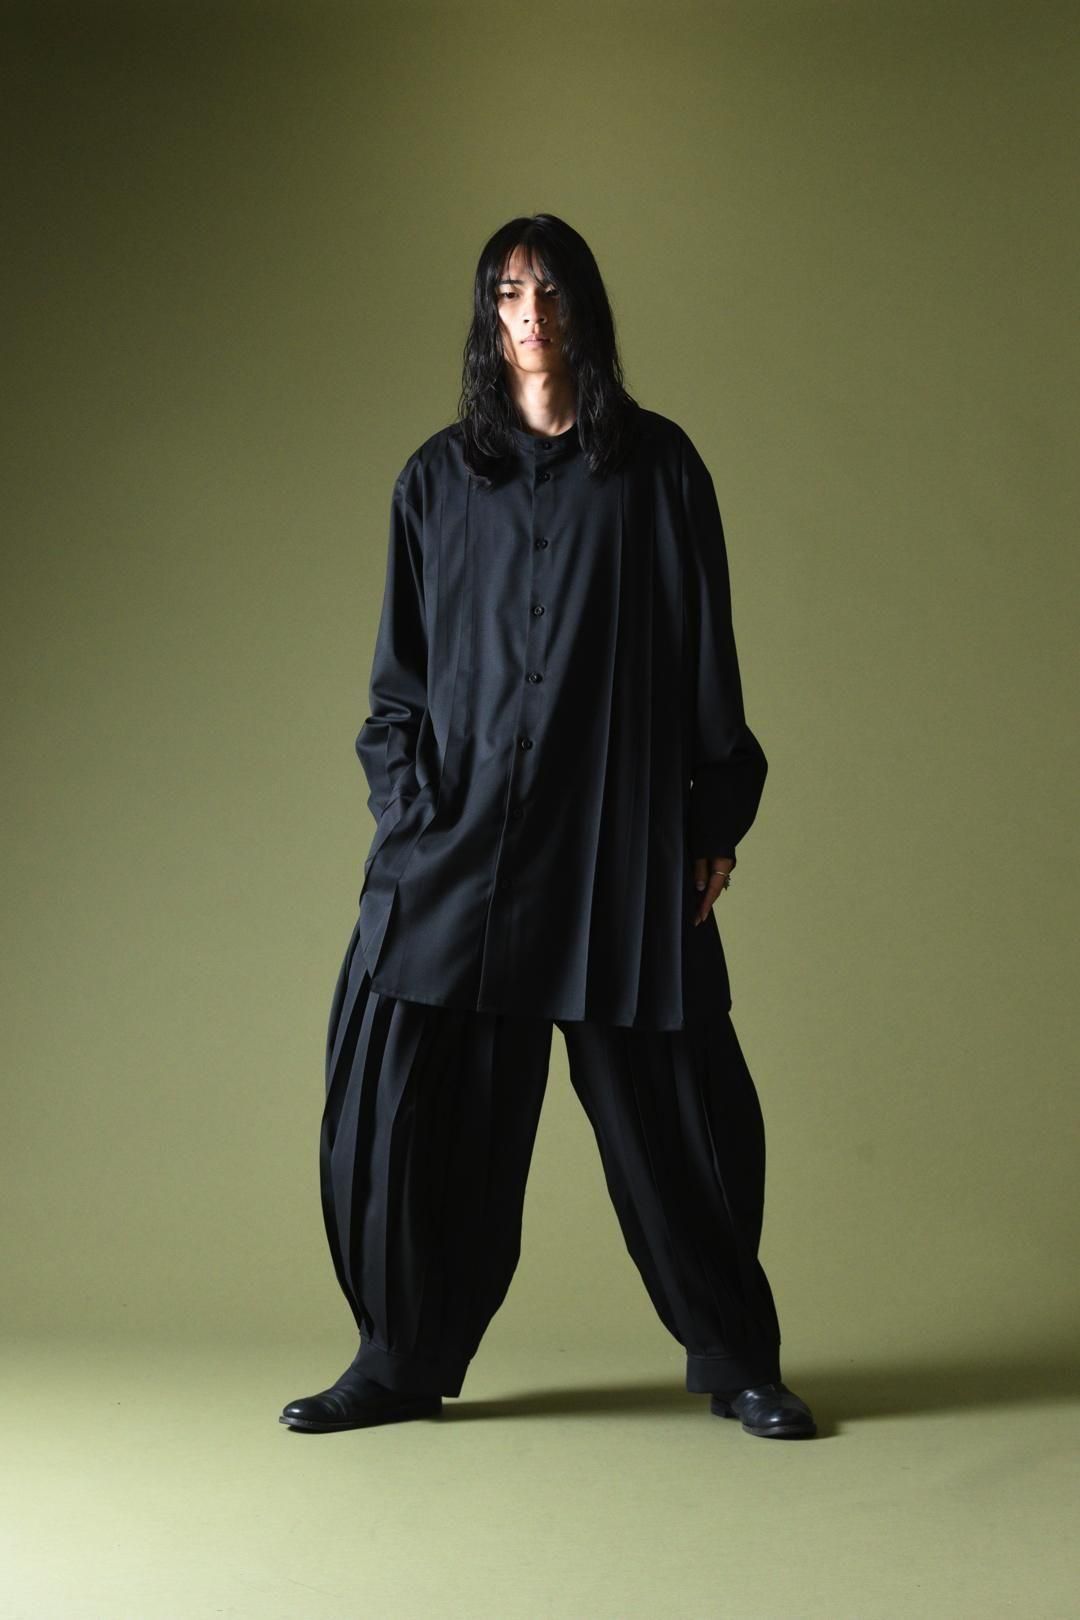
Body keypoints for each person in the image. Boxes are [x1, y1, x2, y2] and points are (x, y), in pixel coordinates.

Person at [280, 214, 817, 1441]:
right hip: (461, 849)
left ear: (584, 307)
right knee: (408, 1113)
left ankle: (741, 1361)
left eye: (550, 290)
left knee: (679, 1118)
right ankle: (396, 1361)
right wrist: (409, 817)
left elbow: (707, 661)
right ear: (488, 314)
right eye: (508, 293)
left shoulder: (661, 470)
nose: (529, 314)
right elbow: (398, 684)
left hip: (614, 846)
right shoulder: (435, 480)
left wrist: (713, 818)